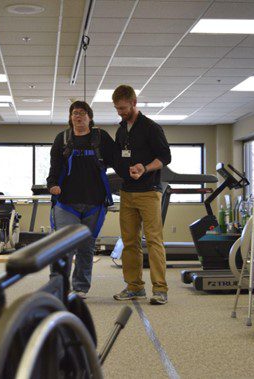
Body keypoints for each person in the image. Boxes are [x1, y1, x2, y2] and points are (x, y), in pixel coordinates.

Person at [47, 100, 116, 299]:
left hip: (94, 202)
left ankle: (81, 288)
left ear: (90, 117)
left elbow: (117, 160)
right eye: (75, 113)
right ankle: (58, 287)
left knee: (86, 247)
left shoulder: (100, 137)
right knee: (63, 248)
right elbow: (54, 167)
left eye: (82, 113)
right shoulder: (62, 138)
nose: (78, 116)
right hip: (66, 202)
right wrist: (52, 185)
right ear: (70, 118)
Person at [111, 85, 171, 305]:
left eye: (123, 108)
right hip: (127, 193)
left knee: (154, 240)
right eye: (117, 109)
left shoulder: (151, 128)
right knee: (129, 242)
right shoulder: (121, 130)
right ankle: (135, 287)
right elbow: (119, 157)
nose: (120, 112)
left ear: (134, 102)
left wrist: (144, 168)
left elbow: (165, 157)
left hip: (148, 192)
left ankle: (160, 289)